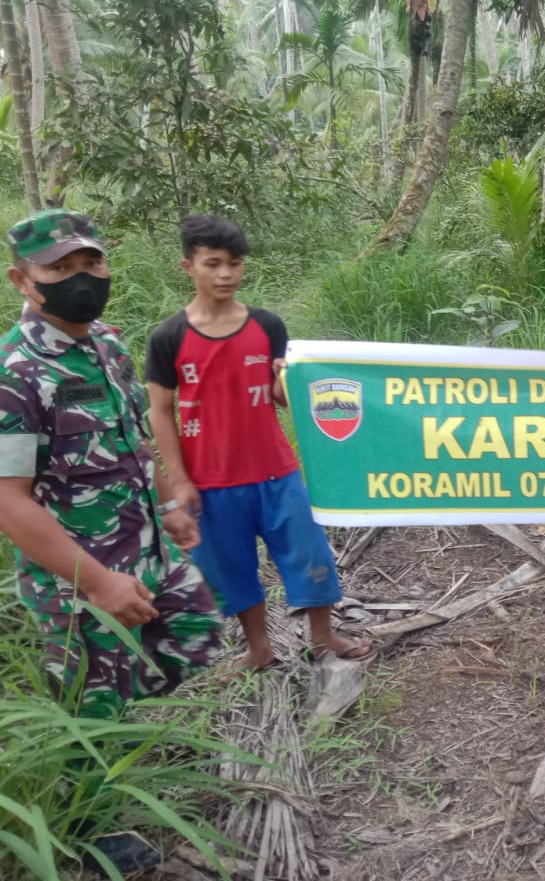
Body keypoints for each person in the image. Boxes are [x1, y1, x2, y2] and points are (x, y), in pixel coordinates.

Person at [0, 209, 221, 718]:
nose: (81, 278)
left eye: (91, 263)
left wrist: (167, 502)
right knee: (93, 719)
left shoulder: (106, 343)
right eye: (59, 269)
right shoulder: (17, 373)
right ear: (22, 280)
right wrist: (99, 584)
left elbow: (132, 436)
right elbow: (8, 501)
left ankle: (129, 708)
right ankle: (97, 780)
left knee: (197, 631)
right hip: (78, 575)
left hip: (144, 544)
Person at [145, 214, 372, 671]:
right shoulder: (168, 337)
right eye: (213, 264)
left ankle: (323, 636)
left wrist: (287, 382)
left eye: (234, 263)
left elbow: (283, 399)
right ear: (188, 266)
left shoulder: (267, 326)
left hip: (276, 471)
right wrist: (179, 480)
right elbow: (160, 410)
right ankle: (259, 648)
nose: (226, 274)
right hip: (210, 481)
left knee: (309, 552)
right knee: (232, 569)